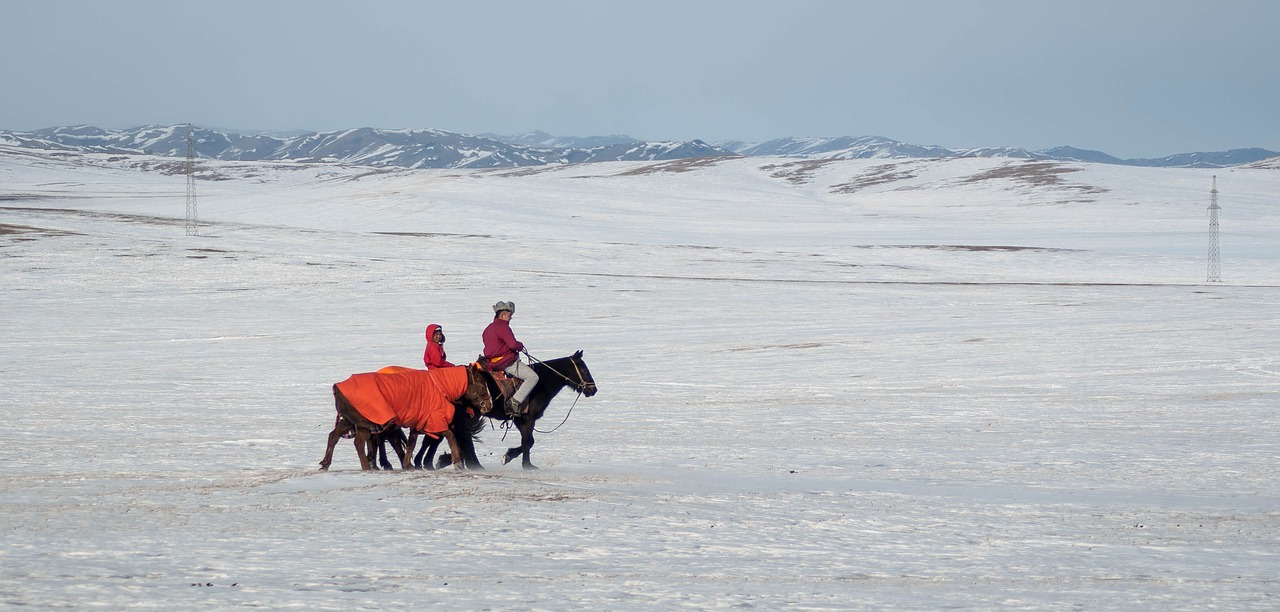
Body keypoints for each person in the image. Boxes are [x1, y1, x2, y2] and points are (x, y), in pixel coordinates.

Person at [481, 300, 539, 415]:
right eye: (510, 315)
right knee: (532, 377)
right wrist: (519, 345)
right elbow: (512, 344)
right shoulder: (503, 327)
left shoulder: (487, 329)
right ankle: (515, 401)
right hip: (506, 363)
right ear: (503, 315)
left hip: (492, 363)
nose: (511, 318)